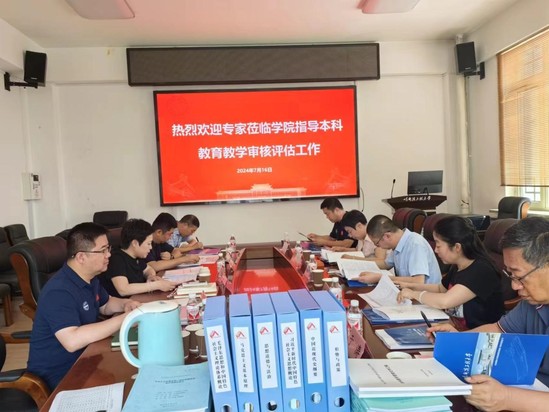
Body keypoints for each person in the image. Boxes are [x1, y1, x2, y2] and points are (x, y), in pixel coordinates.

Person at [429, 217, 549, 412]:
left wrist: (507, 398)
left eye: (519, 276)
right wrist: (458, 340)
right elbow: (498, 330)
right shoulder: (532, 303)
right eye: (510, 275)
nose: (514, 286)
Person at [26, 222, 141, 390]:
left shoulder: (89, 278)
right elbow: (72, 340)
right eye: (103, 250)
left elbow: (105, 304)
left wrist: (127, 304)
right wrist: (126, 319)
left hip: (89, 359)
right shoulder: (58, 291)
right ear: (81, 257)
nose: (109, 255)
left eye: (108, 249)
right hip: (60, 377)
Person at [396, 215, 504, 329]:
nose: (435, 250)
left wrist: (414, 294)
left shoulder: (481, 270)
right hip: (453, 326)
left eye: (438, 245)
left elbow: (445, 301)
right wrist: (410, 286)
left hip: (476, 334)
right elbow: (441, 289)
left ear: (457, 247)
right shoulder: (458, 265)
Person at [99, 218, 181, 298]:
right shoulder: (116, 259)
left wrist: (150, 276)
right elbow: (123, 289)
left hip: (138, 299)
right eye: (148, 243)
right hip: (124, 304)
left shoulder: (136, 256)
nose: (150, 247)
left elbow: (148, 269)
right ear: (135, 243)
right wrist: (155, 285)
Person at [359, 214, 441, 284]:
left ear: (387, 236)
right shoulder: (398, 244)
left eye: (377, 243)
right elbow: (385, 264)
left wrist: (380, 278)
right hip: (409, 291)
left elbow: (418, 281)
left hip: (426, 295)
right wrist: (359, 264)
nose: (377, 246)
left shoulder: (415, 244)